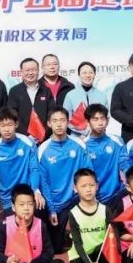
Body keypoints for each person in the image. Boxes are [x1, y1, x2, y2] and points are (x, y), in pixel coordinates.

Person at [0, 184, 65, 263]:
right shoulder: (4, 225)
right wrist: (8, 260)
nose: (26, 208)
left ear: (34, 205)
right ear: (13, 207)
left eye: (30, 204)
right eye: (21, 204)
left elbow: (48, 253)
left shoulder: (41, 224)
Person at [37, 106, 89, 252]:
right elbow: (44, 183)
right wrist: (51, 210)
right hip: (56, 202)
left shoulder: (79, 145)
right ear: (49, 123)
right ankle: (64, 236)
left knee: (87, 246)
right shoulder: (42, 150)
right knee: (57, 248)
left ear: (68, 122)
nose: (59, 124)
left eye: (62, 120)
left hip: (77, 198)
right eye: (55, 121)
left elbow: (88, 173)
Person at [0, 106, 44, 216]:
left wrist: (36, 190)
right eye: (3, 125)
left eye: (10, 124)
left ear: (16, 124)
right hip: (8, 201)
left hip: (28, 196)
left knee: (41, 210)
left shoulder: (28, 143)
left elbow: (34, 169)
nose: (7, 129)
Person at [65, 169, 114, 263]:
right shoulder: (73, 213)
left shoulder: (105, 210)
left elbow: (112, 237)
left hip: (100, 252)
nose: (88, 189)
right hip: (81, 254)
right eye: (83, 186)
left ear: (97, 186)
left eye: (91, 185)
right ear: (75, 188)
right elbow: (78, 243)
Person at [80, 103, 128, 207]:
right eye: (95, 119)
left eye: (103, 119)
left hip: (117, 195)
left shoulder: (117, 141)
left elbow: (125, 164)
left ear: (107, 120)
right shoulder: (83, 146)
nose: (100, 123)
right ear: (88, 122)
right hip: (94, 199)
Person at [9, 58, 54, 137]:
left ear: (38, 71)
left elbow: (52, 112)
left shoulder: (46, 90)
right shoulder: (14, 91)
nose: (30, 73)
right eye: (27, 70)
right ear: (21, 72)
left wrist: (44, 133)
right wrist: (26, 135)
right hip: (22, 137)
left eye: (33, 70)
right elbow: (12, 114)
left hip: (45, 135)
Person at [62, 61, 108, 137]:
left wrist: (97, 129)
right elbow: (65, 118)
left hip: (99, 136)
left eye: (91, 72)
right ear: (79, 75)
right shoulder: (70, 95)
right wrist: (83, 131)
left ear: (94, 74)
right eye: (84, 73)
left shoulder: (102, 95)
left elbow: (107, 117)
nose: (88, 75)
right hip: (77, 137)